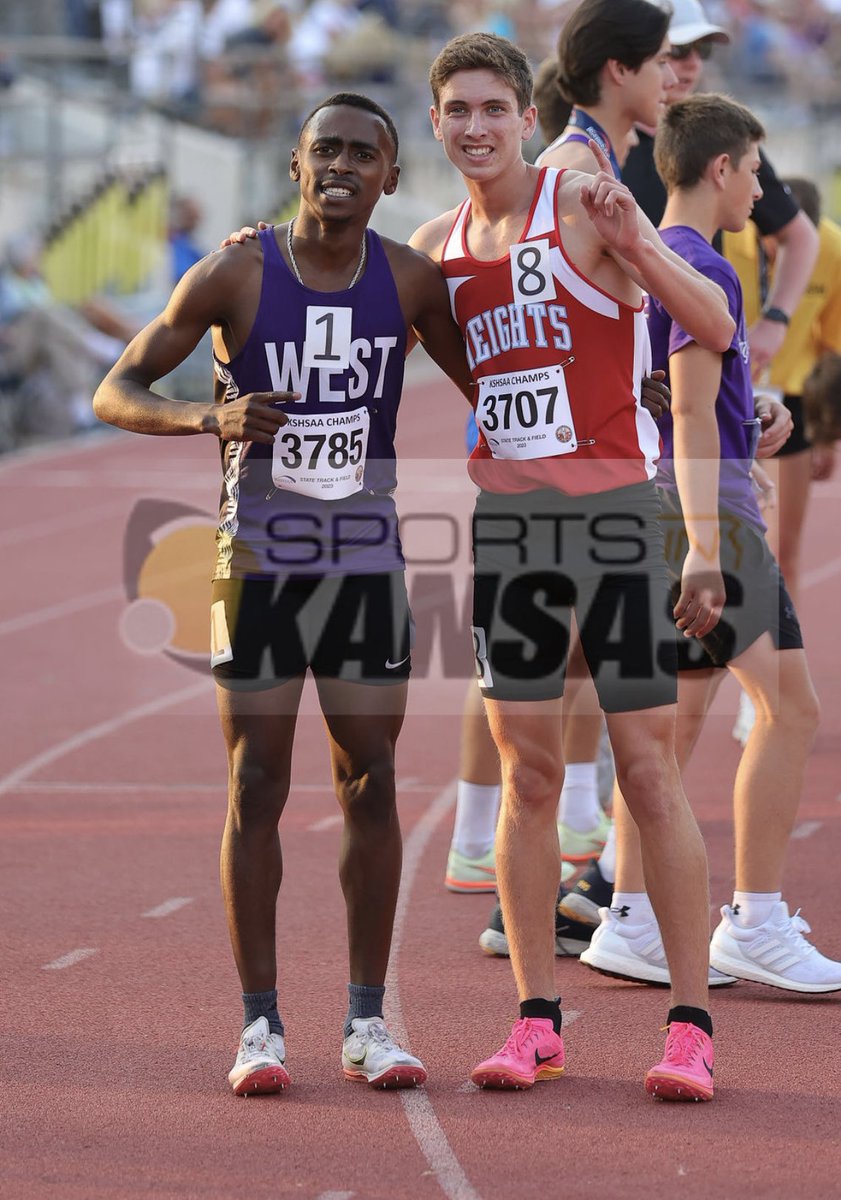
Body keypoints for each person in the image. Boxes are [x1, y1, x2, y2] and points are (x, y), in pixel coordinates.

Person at [93, 92, 475, 1096]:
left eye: (365, 153)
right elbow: (115, 389)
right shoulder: (235, 272)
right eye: (326, 150)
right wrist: (206, 419)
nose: (343, 165)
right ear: (297, 167)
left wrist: (639, 401)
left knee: (373, 782)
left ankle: (364, 1023)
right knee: (255, 784)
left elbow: (503, 386)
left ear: (391, 178)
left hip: (365, 570)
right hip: (253, 565)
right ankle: (259, 1028)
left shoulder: (412, 281)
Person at [410, 30, 735, 1100]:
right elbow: (356, 307)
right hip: (511, 533)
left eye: (490, 107)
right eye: (454, 109)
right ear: (436, 122)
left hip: (615, 526)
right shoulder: (436, 247)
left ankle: (688, 1027)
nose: (473, 127)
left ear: (524, 113)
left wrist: (638, 252)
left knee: (644, 771)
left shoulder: (583, 201)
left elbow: (715, 326)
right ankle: (535, 1021)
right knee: (530, 775)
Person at [579, 92, 841, 995]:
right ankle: (755, 920)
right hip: (705, 522)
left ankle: (627, 916)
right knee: (789, 710)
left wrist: (751, 413)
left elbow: (686, 399)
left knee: (676, 723)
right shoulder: (700, 268)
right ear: (720, 169)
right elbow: (687, 409)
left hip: (653, 507)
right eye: (755, 170)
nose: (760, 187)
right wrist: (703, 541)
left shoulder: (641, 261)